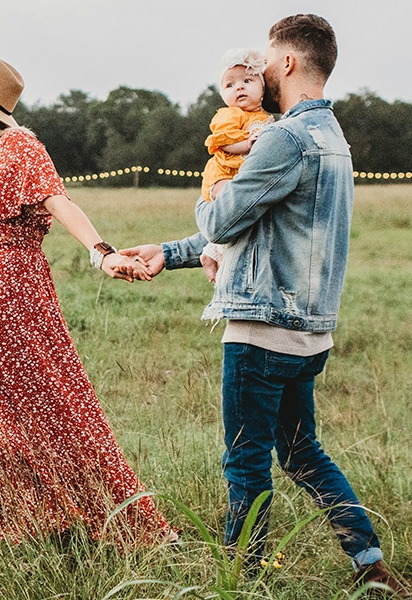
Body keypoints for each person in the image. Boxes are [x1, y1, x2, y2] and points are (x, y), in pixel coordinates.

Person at [120, 14, 409, 595]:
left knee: (245, 461)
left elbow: (224, 217)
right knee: (303, 453)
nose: (260, 72)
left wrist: (214, 194)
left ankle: (240, 578)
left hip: (262, 329)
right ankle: (370, 563)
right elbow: (259, 227)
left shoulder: (282, 137)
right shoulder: (333, 138)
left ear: (290, 63)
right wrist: (171, 253)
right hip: (310, 334)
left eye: (267, 62)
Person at [0, 54, 171, 545]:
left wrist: (101, 252)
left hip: (9, 290)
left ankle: (77, 514)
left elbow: (58, 199)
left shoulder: (20, 145)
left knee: (46, 402)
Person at [198, 48, 274, 280]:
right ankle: (215, 254)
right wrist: (246, 144)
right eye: (229, 85)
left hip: (239, 175)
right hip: (222, 174)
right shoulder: (230, 114)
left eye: (247, 81)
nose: (238, 87)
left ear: (263, 88)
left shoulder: (264, 118)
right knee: (231, 207)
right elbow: (222, 141)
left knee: (243, 213)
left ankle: (211, 252)